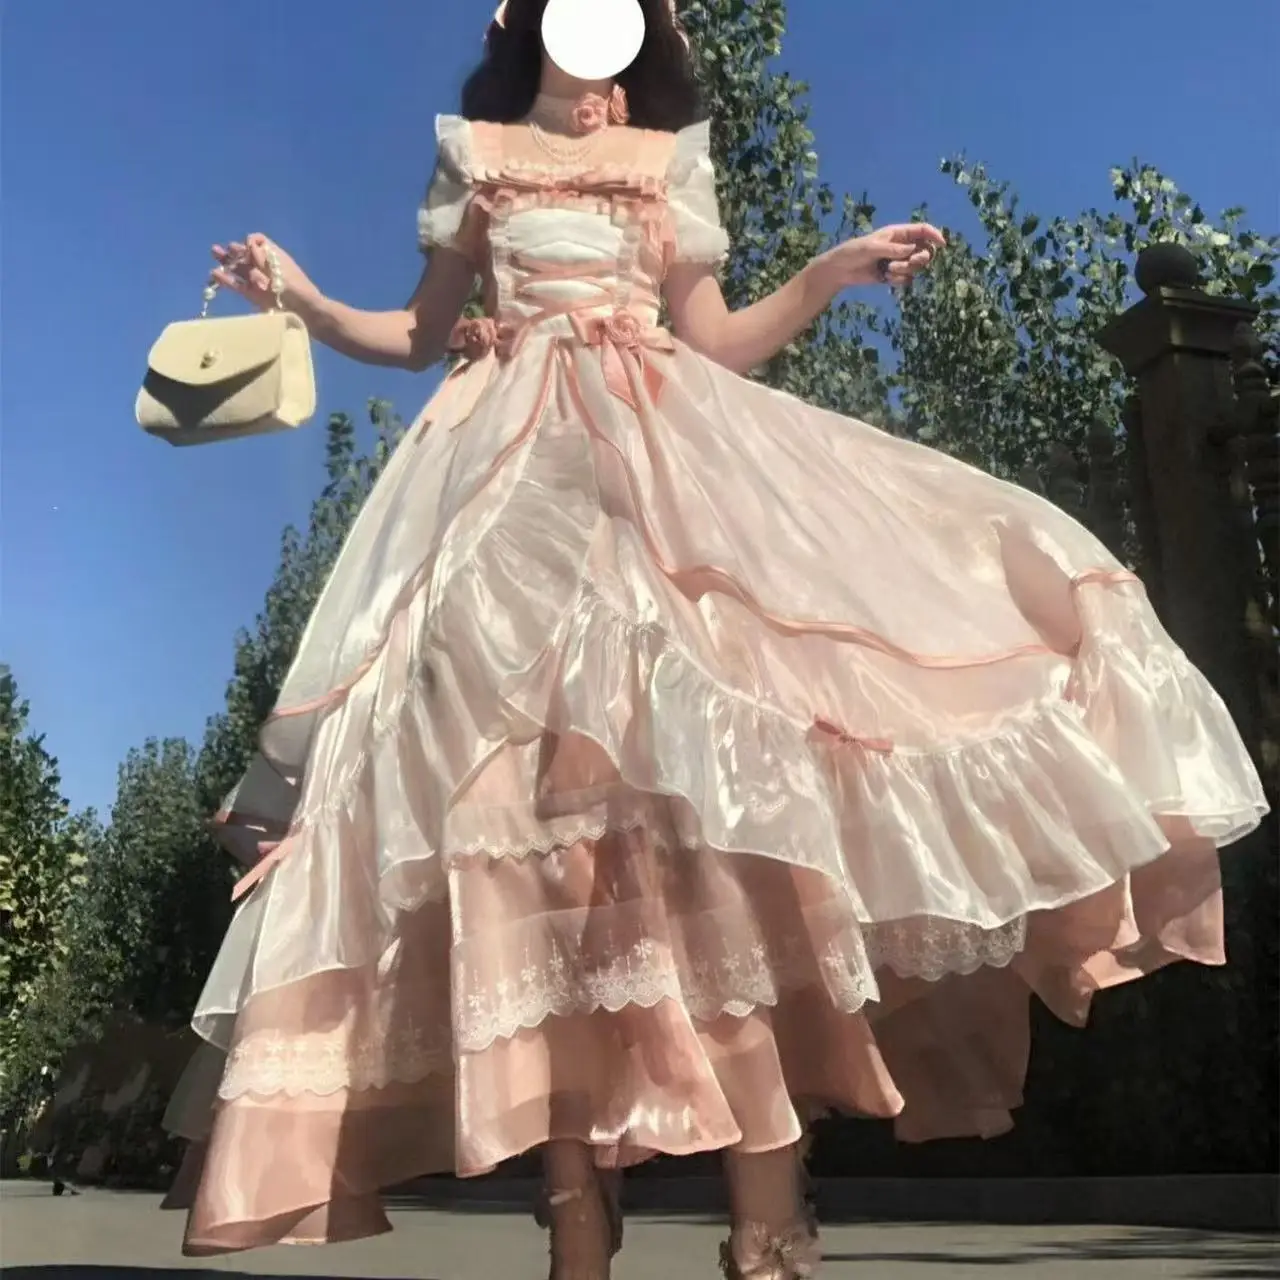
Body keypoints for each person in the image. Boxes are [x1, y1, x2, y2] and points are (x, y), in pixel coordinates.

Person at [163, 1, 1267, 1276]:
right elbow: (416, 335)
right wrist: (299, 296)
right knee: (519, 837)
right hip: (501, 506)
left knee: (712, 830)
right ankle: (577, 1215)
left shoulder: (664, 159)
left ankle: (765, 1211)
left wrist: (827, 273)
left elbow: (716, 339)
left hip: (660, 482)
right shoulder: (473, 154)